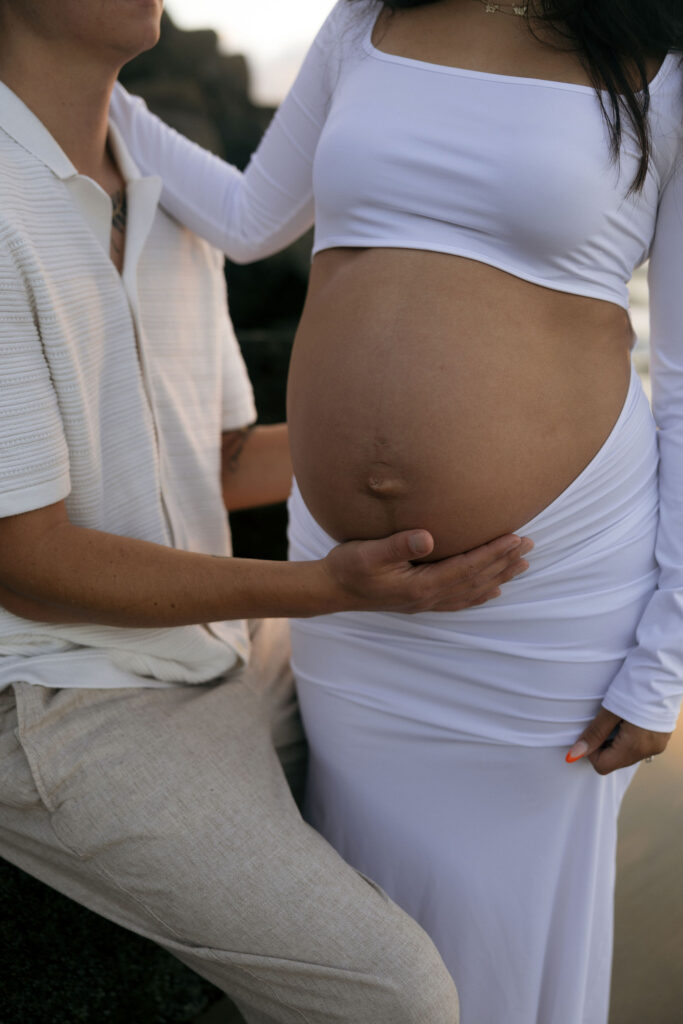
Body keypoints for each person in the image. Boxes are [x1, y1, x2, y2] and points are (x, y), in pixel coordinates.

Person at [110, 1, 683, 1022]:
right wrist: (64, 88)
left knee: (504, 944)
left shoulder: (660, 56)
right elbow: (248, 223)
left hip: (542, 602)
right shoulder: (368, 20)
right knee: (362, 928)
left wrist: (664, 657)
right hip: (349, 598)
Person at [0, 2, 539, 1022]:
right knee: (398, 995)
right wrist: (325, 588)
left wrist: (467, 446)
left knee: (487, 763)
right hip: (60, 687)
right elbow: (26, 554)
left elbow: (215, 463)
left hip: (230, 646)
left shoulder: (157, 191)